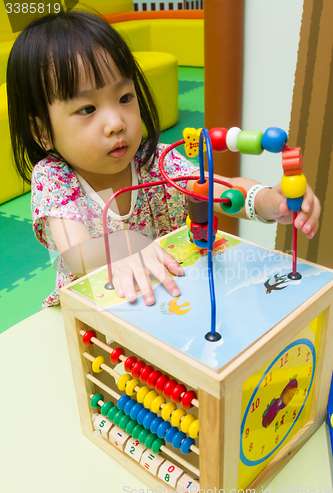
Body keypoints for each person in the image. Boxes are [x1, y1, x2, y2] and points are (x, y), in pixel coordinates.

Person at [6, 10, 320, 309]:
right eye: (87, 109)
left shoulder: (154, 160)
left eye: (125, 98)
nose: (116, 122)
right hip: (98, 312)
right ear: (43, 132)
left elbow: (220, 191)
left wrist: (269, 201)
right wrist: (131, 243)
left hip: (169, 295)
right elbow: (78, 256)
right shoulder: (54, 178)